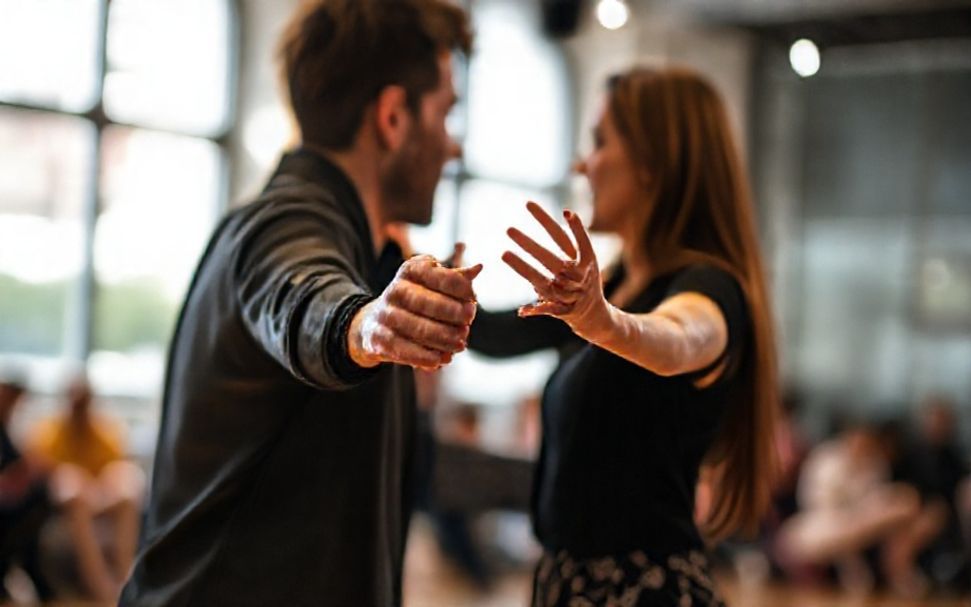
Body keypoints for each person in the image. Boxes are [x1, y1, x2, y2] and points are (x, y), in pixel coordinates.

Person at [119, 1, 478, 605]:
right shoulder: (285, 221)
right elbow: (303, 297)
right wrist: (364, 324)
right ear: (392, 117)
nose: (453, 147)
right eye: (445, 115)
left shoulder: (369, 248)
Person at [468, 67, 779, 606]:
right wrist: (426, 287)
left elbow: (680, 339)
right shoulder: (611, 285)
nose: (581, 165)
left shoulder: (708, 287)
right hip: (572, 584)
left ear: (655, 164)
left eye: (600, 142)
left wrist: (606, 324)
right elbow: (497, 334)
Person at [28, 375, 144, 601]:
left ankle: (125, 578)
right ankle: (101, 586)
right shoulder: (49, 431)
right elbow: (45, 473)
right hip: (69, 507)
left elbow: (117, 468)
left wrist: (100, 490)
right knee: (74, 491)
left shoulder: (105, 431)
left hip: (102, 500)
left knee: (128, 488)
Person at [0, 378, 53, 601]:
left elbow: (17, 463)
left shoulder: (5, 429)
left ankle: (32, 573)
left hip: (9, 498)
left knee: (41, 496)